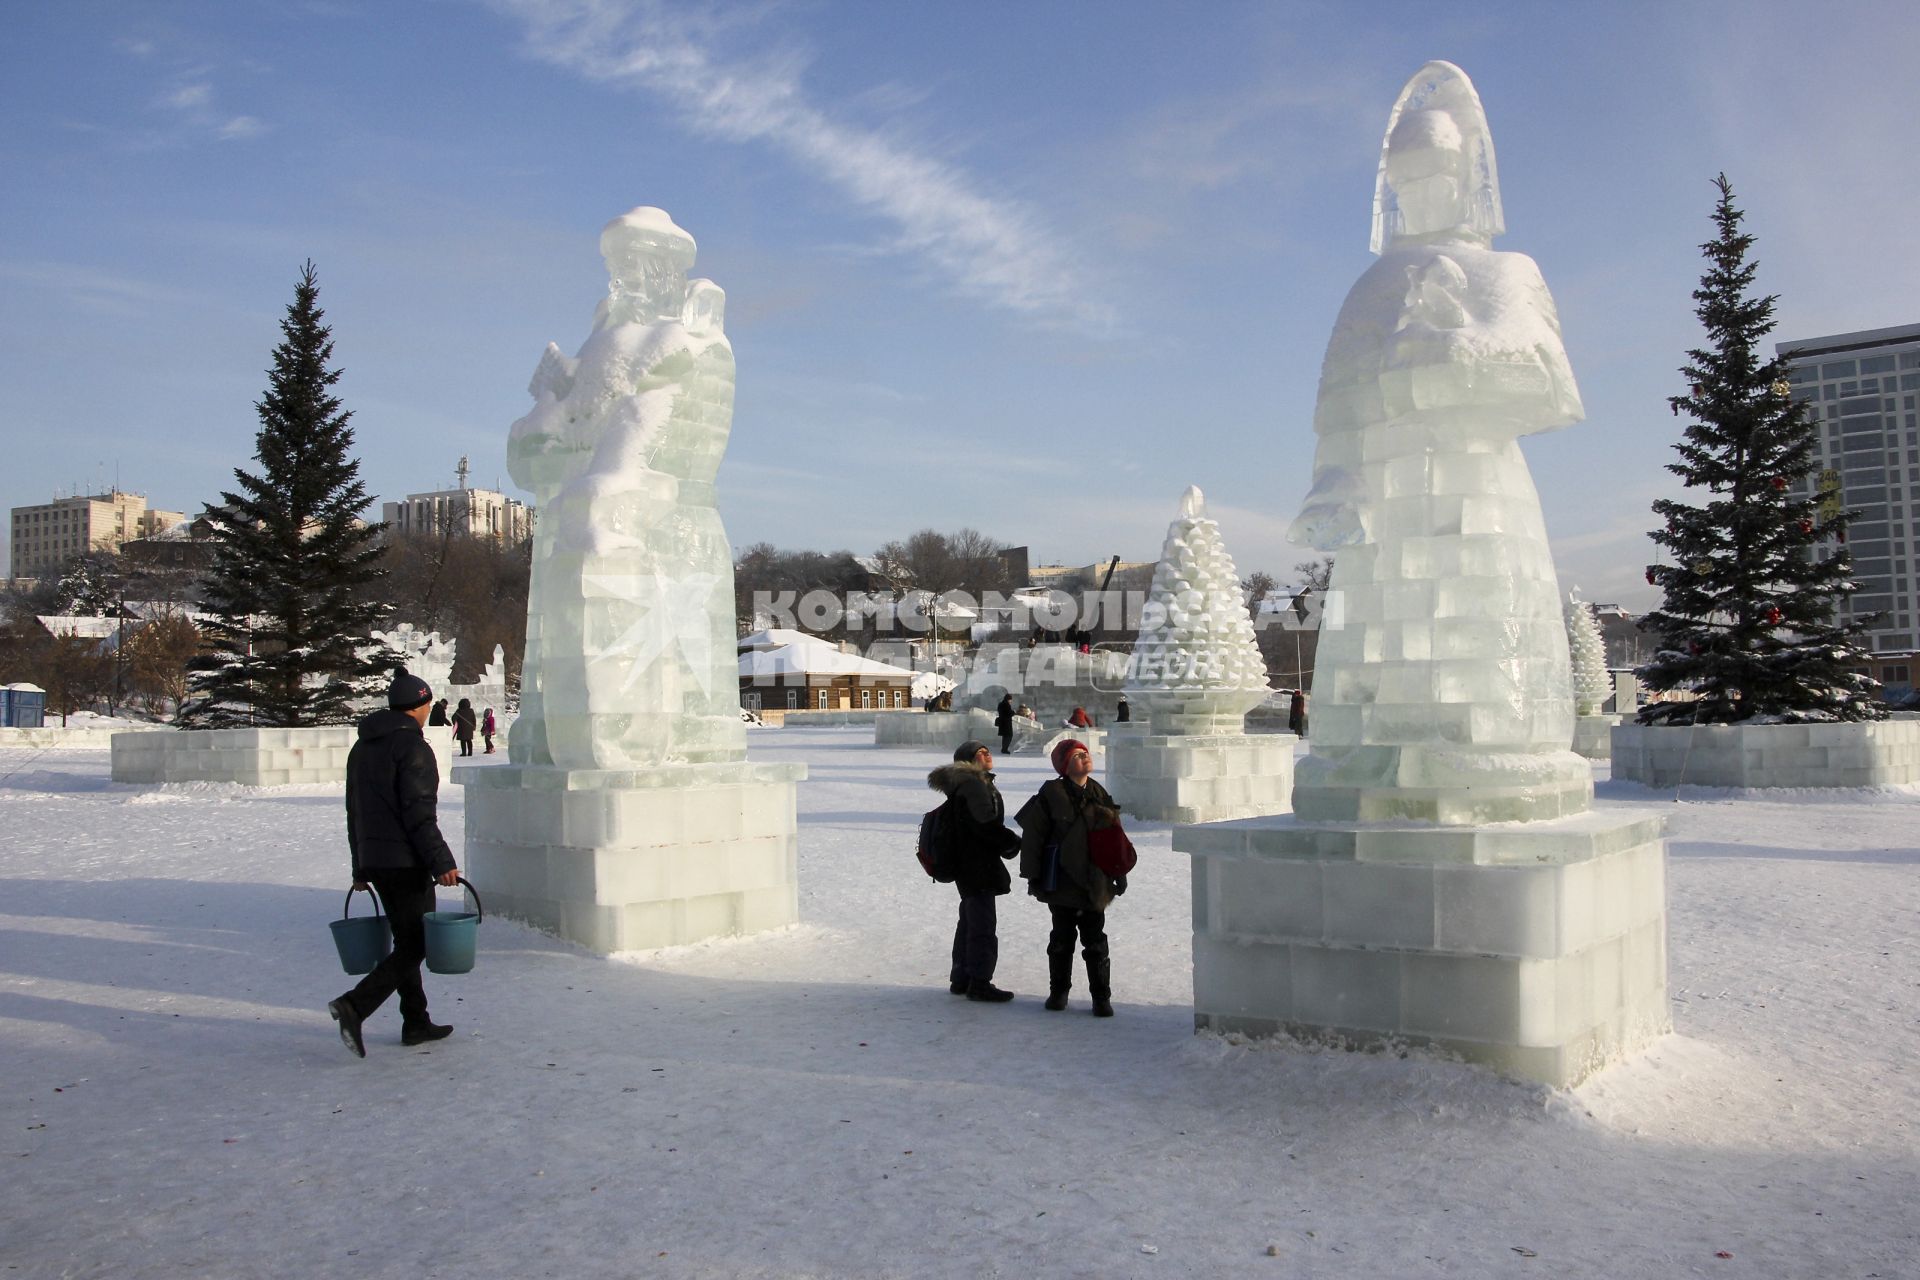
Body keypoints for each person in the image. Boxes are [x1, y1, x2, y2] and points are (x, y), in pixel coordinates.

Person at [328, 672, 460, 1057]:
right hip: (406, 860)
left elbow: (355, 813)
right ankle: (355, 1005)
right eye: (428, 705)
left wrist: (359, 867)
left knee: (406, 940)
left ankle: (415, 1021)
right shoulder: (412, 748)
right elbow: (419, 814)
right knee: (417, 942)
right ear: (420, 706)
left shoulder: (362, 748)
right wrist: (442, 862)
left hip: (378, 860)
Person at [1016, 738, 1125, 1016]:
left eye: (1085, 754)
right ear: (1064, 765)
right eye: (1077, 756)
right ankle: (1059, 992)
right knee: (1061, 941)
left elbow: (1115, 838)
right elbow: (1033, 837)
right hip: (1061, 880)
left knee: (1096, 941)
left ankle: (1101, 998)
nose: (1084, 759)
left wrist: (1119, 871)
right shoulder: (1051, 793)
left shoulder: (1099, 792)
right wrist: (1033, 876)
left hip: (1094, 881)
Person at [928, 740, 1021, 1002]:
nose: (987, 754)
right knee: (982, 924)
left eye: (986, 750)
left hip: (966, 862)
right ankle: (980, 981)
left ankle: (962, 977)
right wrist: (1012, 843)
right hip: (977, 863)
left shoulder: (965, 785)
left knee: (969, 919)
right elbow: (985, 826)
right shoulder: (973, 785)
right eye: (979, 753)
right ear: (967, 762)